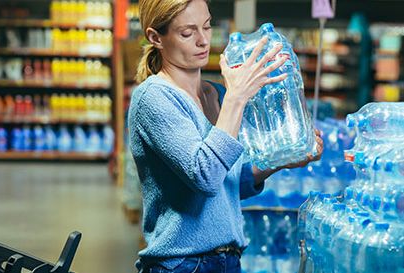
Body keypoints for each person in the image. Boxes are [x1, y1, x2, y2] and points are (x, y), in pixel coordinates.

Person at [128, 0, 324, 272]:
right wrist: (237, 97)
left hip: (227, 261)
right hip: (181, 264)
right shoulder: (154, 98)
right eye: (187, 32)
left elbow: (227, 185)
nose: (203, 40)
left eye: (207, 26)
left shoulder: (217, 95)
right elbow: (204, 175)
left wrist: (281, 159)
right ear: (155, 37)